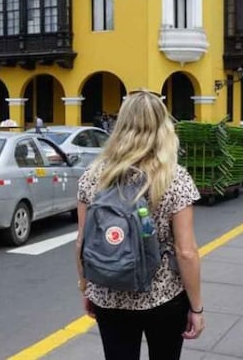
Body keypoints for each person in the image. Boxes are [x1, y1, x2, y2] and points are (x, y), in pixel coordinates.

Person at [75, 90, 204, 359]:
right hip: (164, 297)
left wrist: (87, 286)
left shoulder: (94, 176)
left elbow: (82, 242)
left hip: (109, 293)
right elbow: (186, 251)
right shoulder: (174, 178)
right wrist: (197, 308)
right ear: (162, 127)